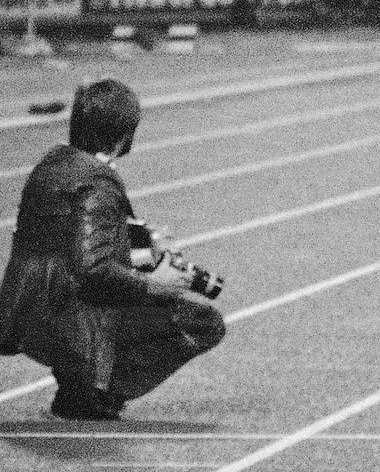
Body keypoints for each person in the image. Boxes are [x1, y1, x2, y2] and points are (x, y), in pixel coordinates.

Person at [0, 81, 225, 421]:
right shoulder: (97, 183)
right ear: (123, 136)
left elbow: (67, 244)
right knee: (203, 321)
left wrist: (141, 245)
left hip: (26, 311)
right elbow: (94, 270)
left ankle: (80, 383)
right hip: (65, 320)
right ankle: (89, 390)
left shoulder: (51, 167)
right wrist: (157, 282)